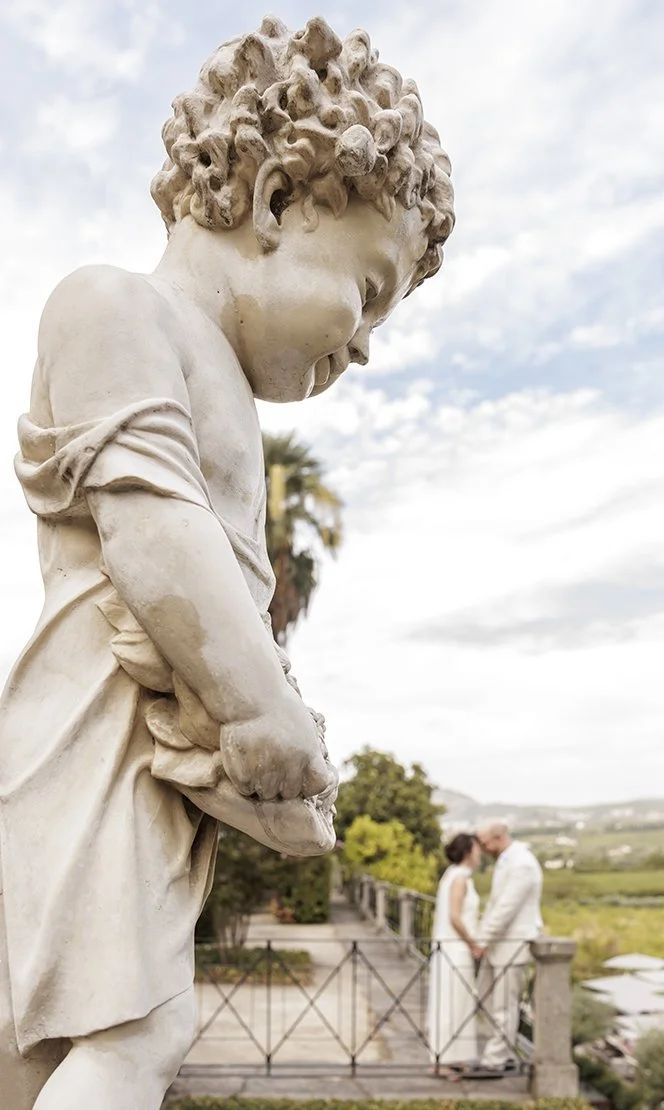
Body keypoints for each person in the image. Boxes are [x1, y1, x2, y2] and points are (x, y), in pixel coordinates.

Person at [0, 17, 453, 1110]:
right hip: (94, 728)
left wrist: (268, 726)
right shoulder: (113, 304)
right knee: (133, 1032)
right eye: (370, 290)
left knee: (43, 1044)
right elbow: (153, 525)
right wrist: (260, 710)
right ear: (277, 202)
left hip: (159, 752)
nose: (366, 343)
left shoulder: (221, 386)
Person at [471, 821, 544, 1078]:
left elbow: (506, 909)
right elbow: (495, 905)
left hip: (512, 944)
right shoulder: (506, 861)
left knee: (505, 1005)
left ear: (499, 837)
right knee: (486, 998)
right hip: (498, 945)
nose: (482, 849)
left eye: (484, 843)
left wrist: (481, 941)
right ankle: (503, 1052)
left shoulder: (522, 863)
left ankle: (495, 1061)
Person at [428, 833, 486, 1075]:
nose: (480, 854)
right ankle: (443, 1060)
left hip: (451, 948)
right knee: (452, 1004)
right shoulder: (460, 878)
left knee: (455, 1003)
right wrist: (473, 944)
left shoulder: (452, 875)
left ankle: (452, 1057)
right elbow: (455, 917)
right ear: (468, 852)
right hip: (456, 950)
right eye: (477, 849)